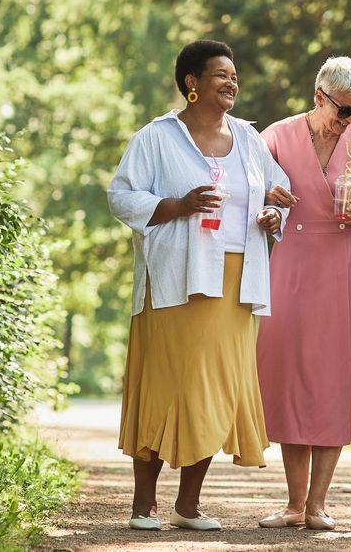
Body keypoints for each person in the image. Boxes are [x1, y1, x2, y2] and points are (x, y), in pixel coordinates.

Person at [108, 39, 291, 532]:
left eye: (234, 76)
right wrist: (177, 206)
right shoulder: (157, 137)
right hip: (175, 282)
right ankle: (143, 505)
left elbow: (278, 193)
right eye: (220, 75)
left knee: (214, 390)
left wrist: (275, 212)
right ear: (192, 83)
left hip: (236, 284)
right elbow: (122, 197)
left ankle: (188, 506)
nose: (232, 83)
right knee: (166, 385)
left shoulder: (250, 139)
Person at [254, 56, 351, 531]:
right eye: (345, 111)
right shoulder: (275, 136)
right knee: (293, 376)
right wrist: (270, 205)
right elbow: (251, 196)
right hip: (290, 263)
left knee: (335, 377)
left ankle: (318, 505)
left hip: (341, 266)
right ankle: (294, 505)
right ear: (320, 97)